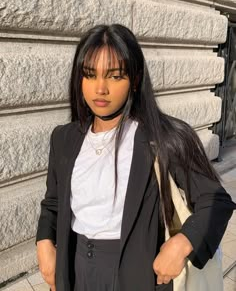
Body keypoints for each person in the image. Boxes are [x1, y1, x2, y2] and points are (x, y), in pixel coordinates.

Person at [36, 24, 236, 291]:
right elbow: (53, 203)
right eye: (89, 74)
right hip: (74, 269)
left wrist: (182, 243)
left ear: (135, 78)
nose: (100, 88)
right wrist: (44, 243)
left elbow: (215, 200)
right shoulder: (63, 138)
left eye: (115, 76)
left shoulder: (165, 137)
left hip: (135, 272)